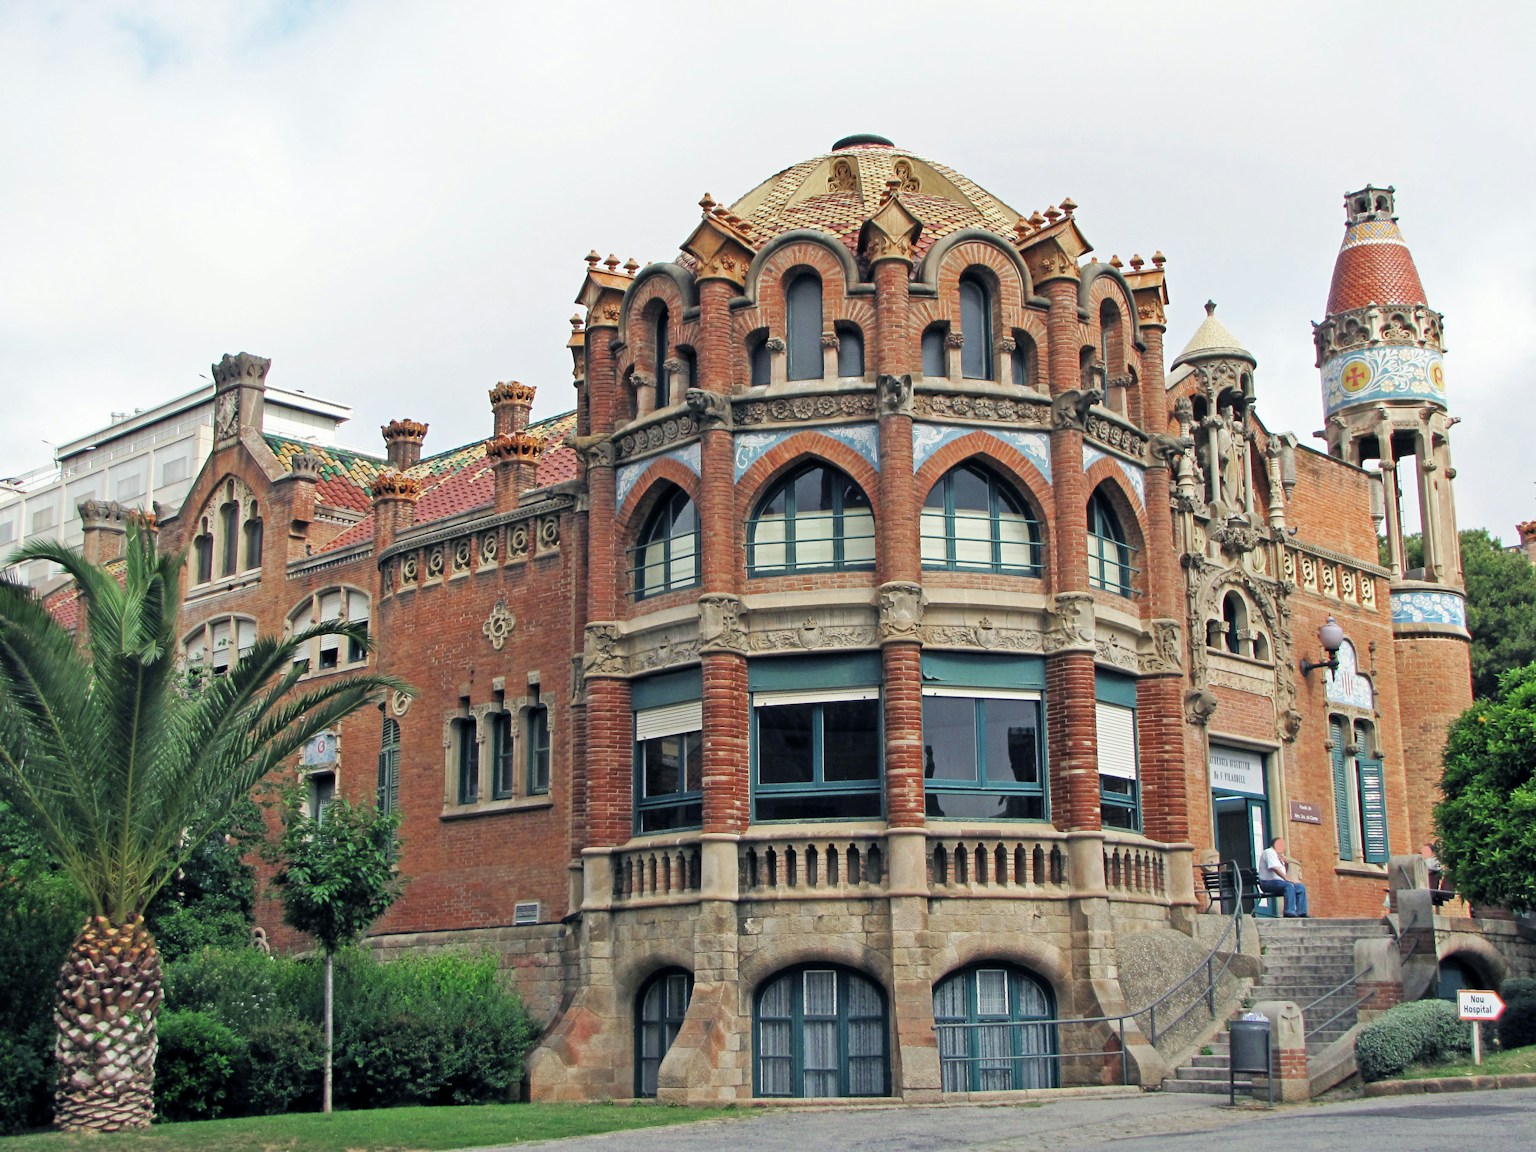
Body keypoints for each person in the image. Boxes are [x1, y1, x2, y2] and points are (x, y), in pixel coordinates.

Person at [1257, 836, 1308, 918]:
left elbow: (1284, 872)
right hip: (1268, 882)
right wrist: (1287, 879)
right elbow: (1274, 868)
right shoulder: (1269, 852)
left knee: (1300, 886)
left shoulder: (1279, 856)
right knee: (1289, 885)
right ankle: (1289, 911)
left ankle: (1301, 912)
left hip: (1279, 882)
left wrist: (1286, 863)